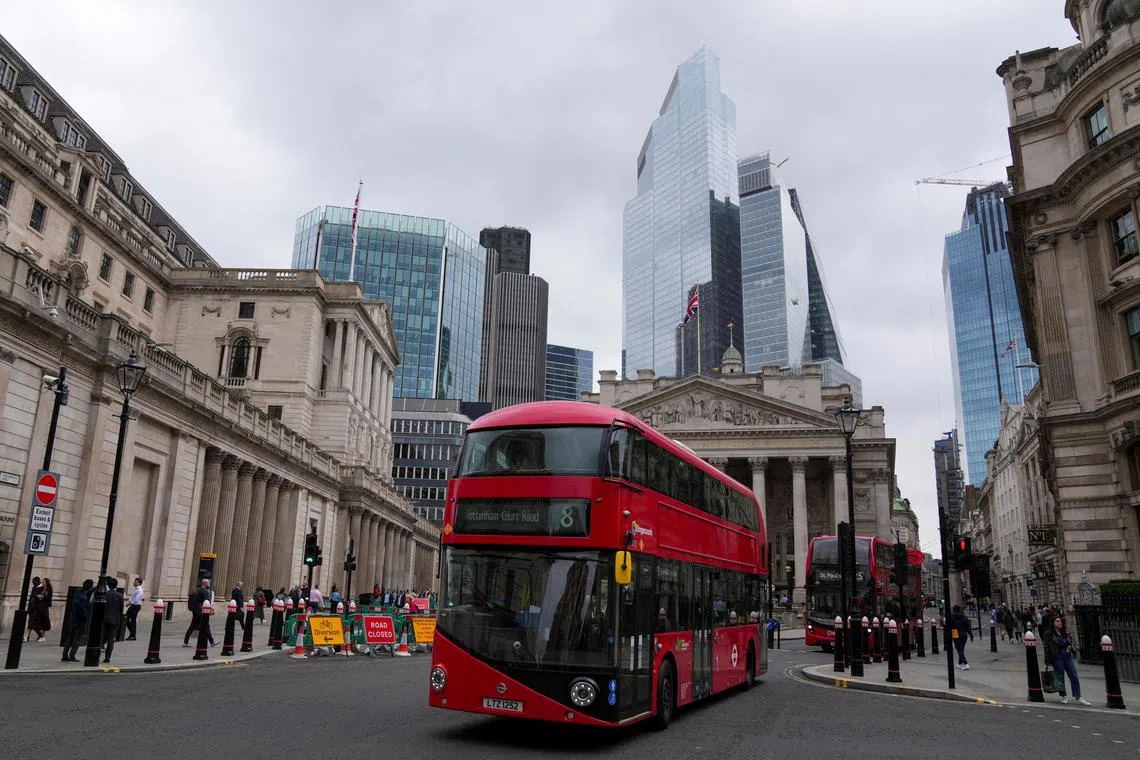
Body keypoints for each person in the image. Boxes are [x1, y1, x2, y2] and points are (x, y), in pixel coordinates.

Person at [1045, 616, 1091, 705]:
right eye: (1057, 621)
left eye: (1060, 621)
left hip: (1067, 656)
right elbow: (1046, 647)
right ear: (1053, 623)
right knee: (1060, 677)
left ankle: (1078, 696)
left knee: (1074, 675)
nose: (1060, 623)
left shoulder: (1065, 633)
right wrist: (1047, 660)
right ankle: (1064, 696)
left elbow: (1070, 642)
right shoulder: (1049, 634)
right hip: (1057, 657)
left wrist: (1070, 647)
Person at [62, 580, 94, 662]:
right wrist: (86, 619)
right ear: (90, 588)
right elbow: (83, 611)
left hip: (72, 619)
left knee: (70, 637)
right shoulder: (83, 598)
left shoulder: (77, 593)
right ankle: (72, 655)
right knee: (77, 639)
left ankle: (65, 655)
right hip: (80, 621)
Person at [101, 578, 125, 663]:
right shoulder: (120, 596)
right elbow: (121, 609)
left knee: (102, 637)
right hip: (115, 620)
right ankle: (107, 657)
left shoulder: (104, 594)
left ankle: (98, 652)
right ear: (116, 585)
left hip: (104, 619)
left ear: (108, 585)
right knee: (111, 640)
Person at [28, 577, 52, 641]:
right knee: (36, 622)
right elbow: (35, 596)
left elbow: (49, 598)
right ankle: (39, 635)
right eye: (42, 581)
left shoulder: (49, 589)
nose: (42, 582)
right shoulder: (40, 588)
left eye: (44, 581)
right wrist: (38, 596)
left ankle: (42, 636)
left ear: (47, 583)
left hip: (44, 607)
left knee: (45, 621)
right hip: (39, 607)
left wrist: (43, 597)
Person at [950, 605, 973, 670]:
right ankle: (960, 664)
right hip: (964, 634)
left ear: (953, 610)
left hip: (955, 633)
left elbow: (949, 625)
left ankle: (965, 663)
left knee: (959, 649)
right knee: (961, 649)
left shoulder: (951, 616)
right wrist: (971, 635)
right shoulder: (964, 616)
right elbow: (968, 626)